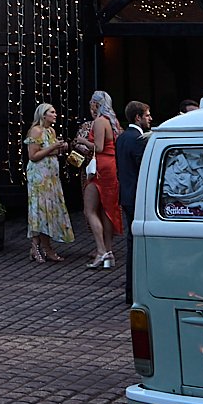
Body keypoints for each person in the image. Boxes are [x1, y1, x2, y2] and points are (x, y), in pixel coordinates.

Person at [25, 103, 73, 263]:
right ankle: (39, 247)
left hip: (52, 177)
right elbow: (33, 155)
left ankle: (42, 247)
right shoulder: (36, 130)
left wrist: (61, 148)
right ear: (43, 115)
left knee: (49, 210)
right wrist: (53, 147)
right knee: (40, 209)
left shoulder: (51, 131)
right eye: (52, 112)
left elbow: (52, 152)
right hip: (39, 177)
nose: (55, 115)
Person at [116, 100, 152, 305]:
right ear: (138, 117)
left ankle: (131, 291)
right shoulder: (138, 139)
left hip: (126, 195)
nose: (150, 119)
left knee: (132, 243)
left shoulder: (122, 138)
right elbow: (142, 170)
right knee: (137, 245)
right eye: (147, 115)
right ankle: (135, 291)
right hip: (137, 196)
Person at [82, 91, 122, 271]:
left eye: (92, 102)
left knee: (89, 209)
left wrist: (83, 141)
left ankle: (101, 250)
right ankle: (109, 250)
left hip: (101, 166)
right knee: (107, 209)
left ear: (96, 104)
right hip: (111, 165)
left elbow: (98, 147)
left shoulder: (99, 121)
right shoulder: (113, 122)